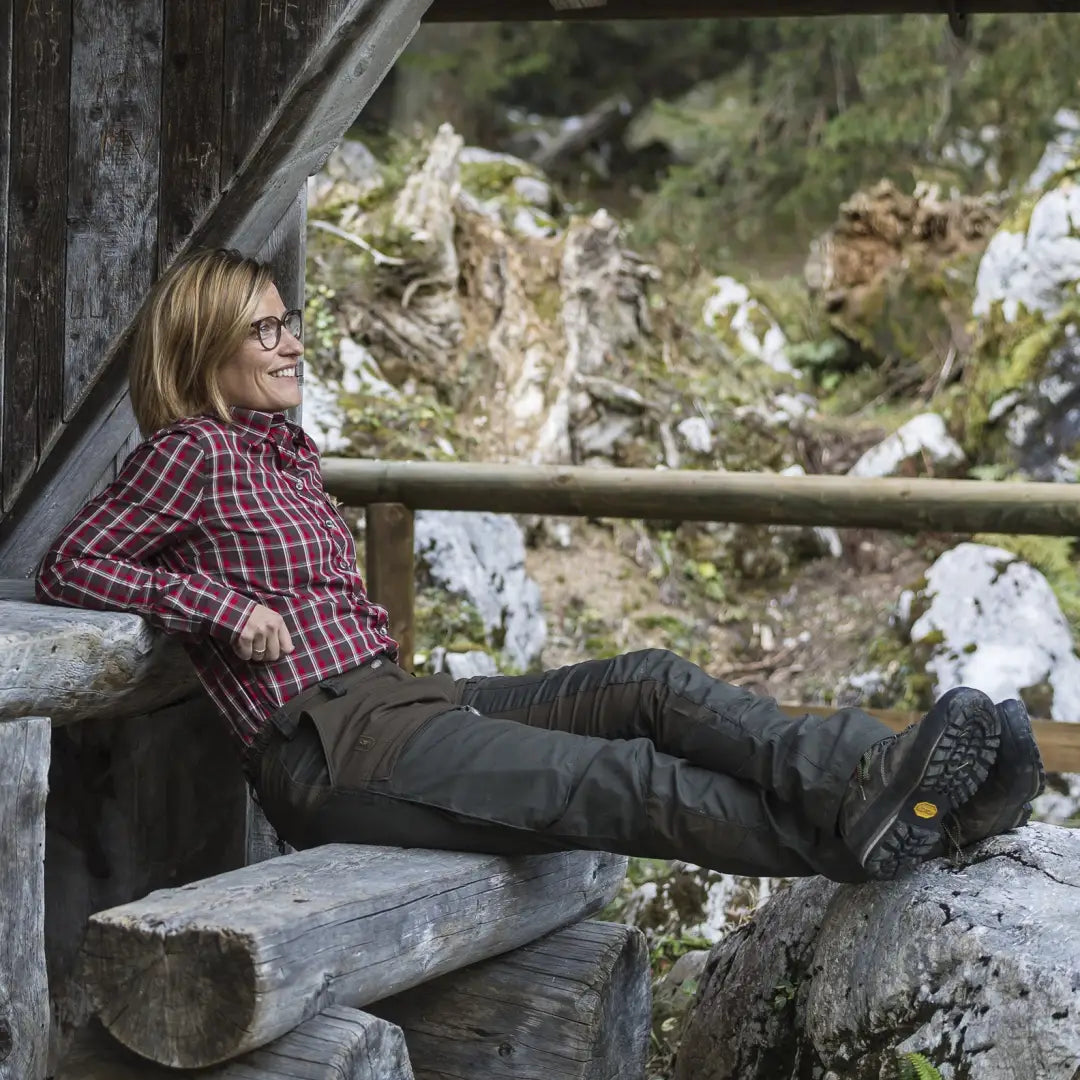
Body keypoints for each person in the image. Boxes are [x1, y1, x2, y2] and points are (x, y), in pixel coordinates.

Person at [36, 247, 1045, 885]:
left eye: (290, 320)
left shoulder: (278, 452)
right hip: (331, 750)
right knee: (622, 778)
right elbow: (72, 563)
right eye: (265, 328)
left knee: (647, 683)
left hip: (401, 708)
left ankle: (870, 776)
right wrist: (209, 605)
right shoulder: (191, 453)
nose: (293, 341)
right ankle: (884, 832)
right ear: (203, 351)